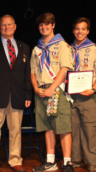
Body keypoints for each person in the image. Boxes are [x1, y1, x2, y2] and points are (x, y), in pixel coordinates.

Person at [0, 14, 32, 172]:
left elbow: (27, 73)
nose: (6, 27)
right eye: (3, 25)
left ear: (15, 26)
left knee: (16, 130)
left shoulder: (24, 47)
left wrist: (28, 95)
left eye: (9, 24)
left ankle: (15, 160)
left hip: (18, 94)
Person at [30, 12, 74, 172]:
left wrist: (51, 89)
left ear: (53, 25)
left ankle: (67, 162)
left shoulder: (62, 45)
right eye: (41, 25)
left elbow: (64, 69)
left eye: (47, 24)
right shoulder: (37, 49)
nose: (43, 27)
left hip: (56, 90)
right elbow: (33, 72)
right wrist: (36, 88)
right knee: (47, 126)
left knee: (62, 126)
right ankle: (50, 161)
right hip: (40, 91)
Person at [69, 17, 96, 172]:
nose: (80, 32)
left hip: (89, 96)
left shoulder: (95, 50)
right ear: (73, 31)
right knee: (73, 129)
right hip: (70, 96)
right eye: (77, 28)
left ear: (88, 31)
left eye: (83, 29)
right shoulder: (67, 49)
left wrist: (93, 89)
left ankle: (92, 162)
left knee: (89, 130)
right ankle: (75, 159)